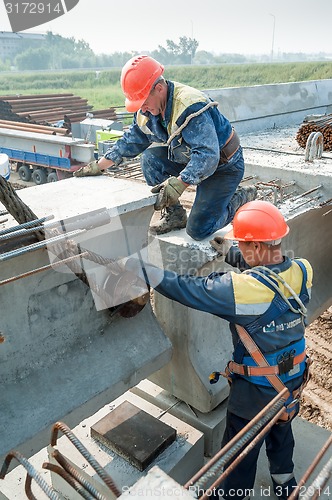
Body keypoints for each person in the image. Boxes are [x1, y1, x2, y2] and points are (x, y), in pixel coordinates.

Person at [122, 200, 313, 500]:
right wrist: (233, 253)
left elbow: (188, 289)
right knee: (281, 426)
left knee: (240, 452)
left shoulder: (240, 291)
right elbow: (270, 273)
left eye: (245, 245)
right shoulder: (303, 270)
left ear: (257, 247)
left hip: (255, 394)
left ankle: (232, 495)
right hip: (292, 380)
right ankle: (285, 484)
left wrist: (145, 271)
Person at [74, 54, 257, 240]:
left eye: (144, 103)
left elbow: (208, 156)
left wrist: (180, 183)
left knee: (199, 230)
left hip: (223, 166)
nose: (143, 109)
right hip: (190, 159)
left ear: (159, 89)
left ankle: (240, 198)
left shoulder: (189, 106)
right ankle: (175, 215)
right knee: (150, 160)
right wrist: (99, 165)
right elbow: (131, 140)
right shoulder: (148, 109)